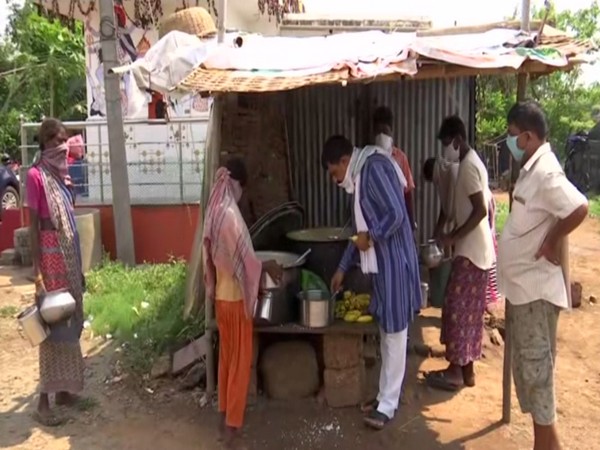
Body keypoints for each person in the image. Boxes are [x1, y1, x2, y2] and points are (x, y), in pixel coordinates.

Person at [498, 101, 588, 450]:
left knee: (537, 377)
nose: (509, 143)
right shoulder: (532, 168)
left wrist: (552, 240)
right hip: (524, 292)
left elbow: (579, 207)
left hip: (535, 294)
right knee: (531, 376)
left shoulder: (546, 172)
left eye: (511, 137)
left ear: (528, 136)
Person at [323, 136, 421, 430]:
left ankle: (388, 405)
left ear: (344, 161)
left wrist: (372, 237)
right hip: (384, 266)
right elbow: (360, 232)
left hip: (394, 262)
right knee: (387, 331)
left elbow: (396, 214)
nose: (334, 179)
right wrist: (342, 267)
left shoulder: (373, 168)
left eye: (333, 172)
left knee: (395, 334)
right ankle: (383, 398)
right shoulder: (361, 173)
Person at [202, 157, 282, 449]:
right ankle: (232, 430)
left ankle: (224, 417)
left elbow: (216, 258)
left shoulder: (214, 212)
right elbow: (246, 262)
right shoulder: (231, 217)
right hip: (236, 300)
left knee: (226, 361)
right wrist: (270, 264)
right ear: (237, 183)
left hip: (222, 300)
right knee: (239, 365)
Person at [425, 116, 495, 391]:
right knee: (469, 313)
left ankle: (455, 372)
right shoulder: (470, 163)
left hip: (472, 253)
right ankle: (467, 371)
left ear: (457, 140)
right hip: (475, 252)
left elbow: (480, 210)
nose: (445, 150)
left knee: (455, 309)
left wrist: (454, 236)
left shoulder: (467, 168)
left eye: (446, 144)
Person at [27, 118, 85, 426]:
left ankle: (63, 391)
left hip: (69, 259)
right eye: (57, 141)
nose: (63, 147)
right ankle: (43, 401)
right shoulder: (36, 177)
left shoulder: (62, 177)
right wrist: (37, 273)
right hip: (50, 260)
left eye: (65, 140)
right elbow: (34, 226)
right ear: (46, 144)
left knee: (70, 321)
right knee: (51, 327)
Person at [423, 154, 500, 309]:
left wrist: (451, 237)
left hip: (482, 209)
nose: (435, 183)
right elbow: (446, 210)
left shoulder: (452, 173)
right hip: (470, 215)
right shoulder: (444, 178)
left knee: (484, 251)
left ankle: (489, 297)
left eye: (432, 180)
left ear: (434, 173)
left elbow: (461, 209)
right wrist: (437, 233)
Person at [372, 106, 417, 230]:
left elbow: (408, 193)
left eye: (385, 131)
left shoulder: (400, 158)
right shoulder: (367, 157)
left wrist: (411, 222)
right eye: (378, 131)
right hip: (376, 219)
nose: (381, 136)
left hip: (398, 218)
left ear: (391, 131)